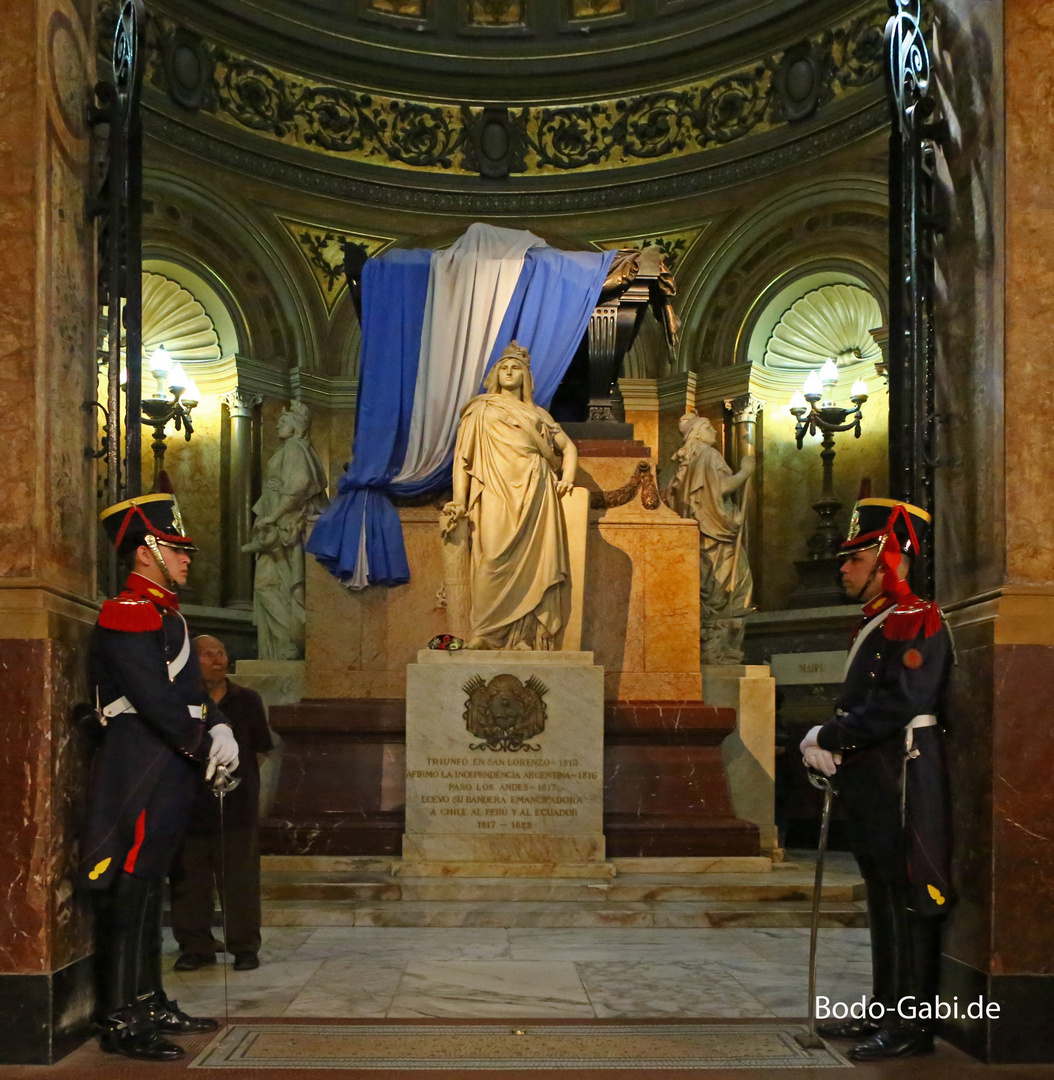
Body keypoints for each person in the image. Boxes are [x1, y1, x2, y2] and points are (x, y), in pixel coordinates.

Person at [81, 494, 240, 1060]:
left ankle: (149, 998)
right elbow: (153, 697)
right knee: (131, 883)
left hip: (168, 760)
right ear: (147, 551)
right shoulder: (129, 610)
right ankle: (122, 1017)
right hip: (141, 763)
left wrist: (221, 727)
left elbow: (191, 693)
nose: (186, 558)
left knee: (151, 882)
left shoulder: (166, 614)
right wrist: (201, 741)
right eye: (176, 548)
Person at [799, 498, 954, 1061]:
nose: (843, 568)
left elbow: (903, 701)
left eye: (855, 557)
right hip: (877, 772)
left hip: (906, 771)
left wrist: (830, 737)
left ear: (889, 557)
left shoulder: (917, 619)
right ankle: (889, 1006)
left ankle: (912, 1025)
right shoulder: (880, 620)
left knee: (911, 893)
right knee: (882, 892)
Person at [442, 342, 577, 651]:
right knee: (491, 556)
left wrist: (566, 478)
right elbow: (463, 459)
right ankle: (486, 633)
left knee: (533, 564)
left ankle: (524, 637)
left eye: (516, 367)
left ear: (526, 377)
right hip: (494, 489)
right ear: (495, 374)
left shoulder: (538, 414)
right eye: (504, 367)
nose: (509, 371)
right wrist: (460, 502)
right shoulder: (481, 408)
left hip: (535, 489)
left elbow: (568, 448)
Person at [170, 635, 274, 973]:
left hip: (236, 807)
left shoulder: (247, 700)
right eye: (208, 655)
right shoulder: (178, 700)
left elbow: (259, 751)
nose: (218, 660)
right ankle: (195, 947)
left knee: (240, 880)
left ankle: (244, 946)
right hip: (188, 805)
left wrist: (230, 779)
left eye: (222, 653)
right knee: (190, 881)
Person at [665, 410, 755, 664]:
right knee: (737, 588)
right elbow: (723, 487)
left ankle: (712, 649)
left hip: (700, 537)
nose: (714, 431)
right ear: (698, 432)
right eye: (709, 428)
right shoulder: (710, 456)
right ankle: (723, 652)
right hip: (719, 536)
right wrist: (746, 471)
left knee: (710, 589)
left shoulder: (685, 465)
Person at [242, 401, 328, 660]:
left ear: (296, 427)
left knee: (275, 584)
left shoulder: (294, 448)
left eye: (285, 421)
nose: (279, 423)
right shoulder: (296, 449)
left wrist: (273, 517)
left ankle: (291, 642)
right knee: (273, 584)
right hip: (281, 524)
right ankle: (286, 643)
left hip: (286, 527)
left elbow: (300, 484)